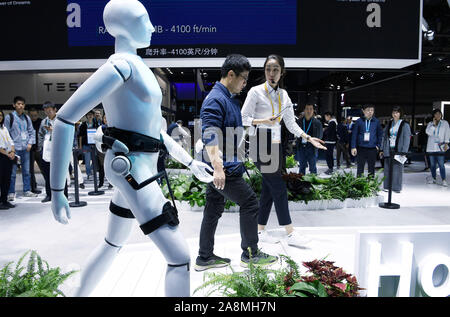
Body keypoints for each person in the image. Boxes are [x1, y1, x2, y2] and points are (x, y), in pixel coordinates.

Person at [50, 0, 213, 297]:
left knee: (113, 243)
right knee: (179, 259)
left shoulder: (137, 67)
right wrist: (57, 191)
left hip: (137, 169)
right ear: (122, 25)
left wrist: (191, 163)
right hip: (133, 172)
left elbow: (156, 134)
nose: (151, 26)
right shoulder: (120, 66)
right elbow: (64, 118)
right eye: (143, 19)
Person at [196, 54, 277, 272]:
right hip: (224, 168)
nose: (244, 84)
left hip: (227, 165)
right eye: (243, 79)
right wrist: (218, 168)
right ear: (230, 74)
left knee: (213, 209)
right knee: (250, 202)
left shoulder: (229, 99)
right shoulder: (216, 99)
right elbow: (210, 134)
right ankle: (250, 253)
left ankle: (204, 257)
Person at [241, 54, 325, 247]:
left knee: (269, 191)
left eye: (276, 69)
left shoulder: (283, 95)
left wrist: (308, 137)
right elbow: (243, 119)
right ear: (264, 71)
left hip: (276, 143)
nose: (272, 73)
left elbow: (290, 123)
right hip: (260, 142)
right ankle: (290, 232)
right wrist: (263, 121)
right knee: (278, 188)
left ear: (282, 72)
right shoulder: (255, 92)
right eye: (268, 69)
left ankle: (259, 230)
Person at [4, 96, 38, 201]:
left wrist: (30, 144)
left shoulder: (27, 118)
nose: (20, 106)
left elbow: (32, 132)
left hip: (25, 149)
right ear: (14, 105)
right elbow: (6, 134)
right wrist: (10, 148)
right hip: (14, 149)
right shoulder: (9, 117)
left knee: (27, 171)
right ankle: (11, 192)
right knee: (13, 172)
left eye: (22, 104)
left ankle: (27, 190)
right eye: (18, 104)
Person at [38, 102, 68, 202]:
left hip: (59, 150)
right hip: (47, 150)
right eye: (46, 110)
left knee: (61, 173)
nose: (48, 112)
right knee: (47, 174)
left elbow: (65, 133)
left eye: (50, 110)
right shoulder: (44, 122)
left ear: (55, 109)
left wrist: (53, 130)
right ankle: (49, 195)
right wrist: (40, 148)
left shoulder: (60, 121)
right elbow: (40, 135)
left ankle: (64, 195)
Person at [380, 106, 411, 193]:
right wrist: (382, 149)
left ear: (400, 114)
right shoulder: (389, 124)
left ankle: (396, 187)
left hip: (399, 150)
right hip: (388, 149)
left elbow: (406, 139)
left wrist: (404, 151)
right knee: (387, 169)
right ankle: (386, 186)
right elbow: (384, 137)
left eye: (397, 112)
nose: (395, 114)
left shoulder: (405, 124)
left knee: (397, 169)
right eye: (393, 112)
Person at [351, 105, 383, 177]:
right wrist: (353, 147)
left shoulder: (376, 121)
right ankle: (359, 184)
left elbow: (380, 135)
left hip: (372, 148)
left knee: (371, 168)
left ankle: (370, 185)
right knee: (360, 167)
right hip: (361, 148)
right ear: (363, 111)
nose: (370, 112)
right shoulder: (359, 121)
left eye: (372, 110)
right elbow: (354, 135)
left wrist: (378, 145)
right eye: (368, 110)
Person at [295, 104, 323, 175]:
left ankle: (313, 184)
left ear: (313, 111)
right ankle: (301, 184)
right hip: (301, 147)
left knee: (313, 168)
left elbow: (320, 135)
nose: (309, 111)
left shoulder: (317, 123)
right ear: (304, 110)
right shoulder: (299, 121)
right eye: (307, 109)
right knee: (301, 167)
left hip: (312, 148)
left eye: (311, 109)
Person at [425, 108, 450, 186]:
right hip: (431, 147)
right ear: (434, 115)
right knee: (432, 165)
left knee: (441, 164)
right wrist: (434, 125)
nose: (438, 115)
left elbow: (447, 133)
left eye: (439, 114)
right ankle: (434, 178)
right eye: (436, 114)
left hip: (440, 147)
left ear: (441, 115)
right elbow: (428, 132)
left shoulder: (445, 123)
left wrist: (446, 143)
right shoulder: (430, 124)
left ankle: (443, 179)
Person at [0, 110, 16, 209]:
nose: (0, 117)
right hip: (2, 156)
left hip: (7, 156)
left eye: (1, 115)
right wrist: (8, 154)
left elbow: (10, 141)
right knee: (1, 179)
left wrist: (13, 152)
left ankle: (4, 200)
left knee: (7, 179)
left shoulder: (4, 128)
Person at [78, 111, 99, 180]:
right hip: (86, 145)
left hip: (95, 145)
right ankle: (88, 173)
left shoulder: (96, 124)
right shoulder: (83, 125)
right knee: (87, 160)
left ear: (93, 116)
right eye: (88, 115)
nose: (90, 116)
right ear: (86, 116)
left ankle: (92, 171)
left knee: (95, 160)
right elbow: (80, 136)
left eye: (91, 115)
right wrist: (80, 146)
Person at [29, 108, 43, 194]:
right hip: (30, 149)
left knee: (44, 168)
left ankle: (49, 184)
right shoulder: (27, 122)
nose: (33, 117)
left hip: (40, 149)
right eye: (32, 115)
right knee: (30, 170)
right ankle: (33, 186)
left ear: (38, 114)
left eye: (35, 115)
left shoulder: (41, 122)